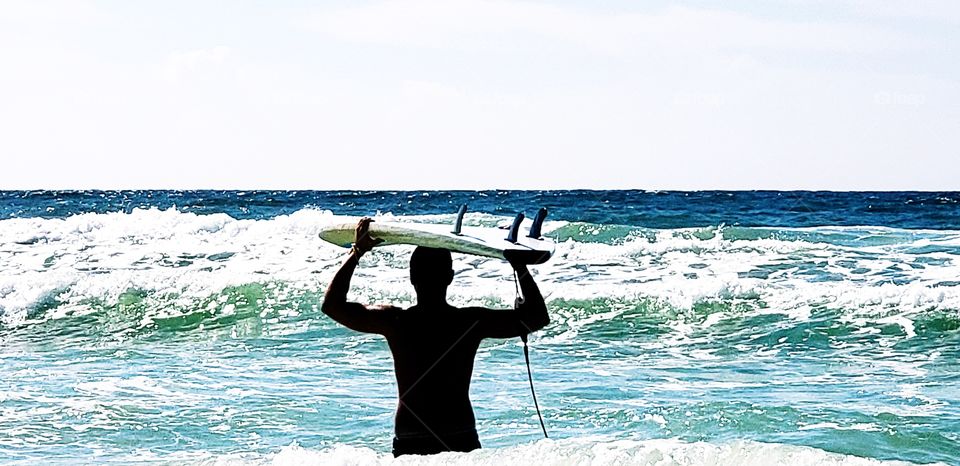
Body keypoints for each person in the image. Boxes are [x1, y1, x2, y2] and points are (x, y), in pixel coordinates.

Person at [321, 218, 549, 457]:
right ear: (450, 277)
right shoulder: (469, 322)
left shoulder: (395, 321)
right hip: (458, 434)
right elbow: (536, 318)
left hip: (411, 435)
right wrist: (519, 267)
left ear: (411, 278)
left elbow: (332, 306)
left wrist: (358, 252)